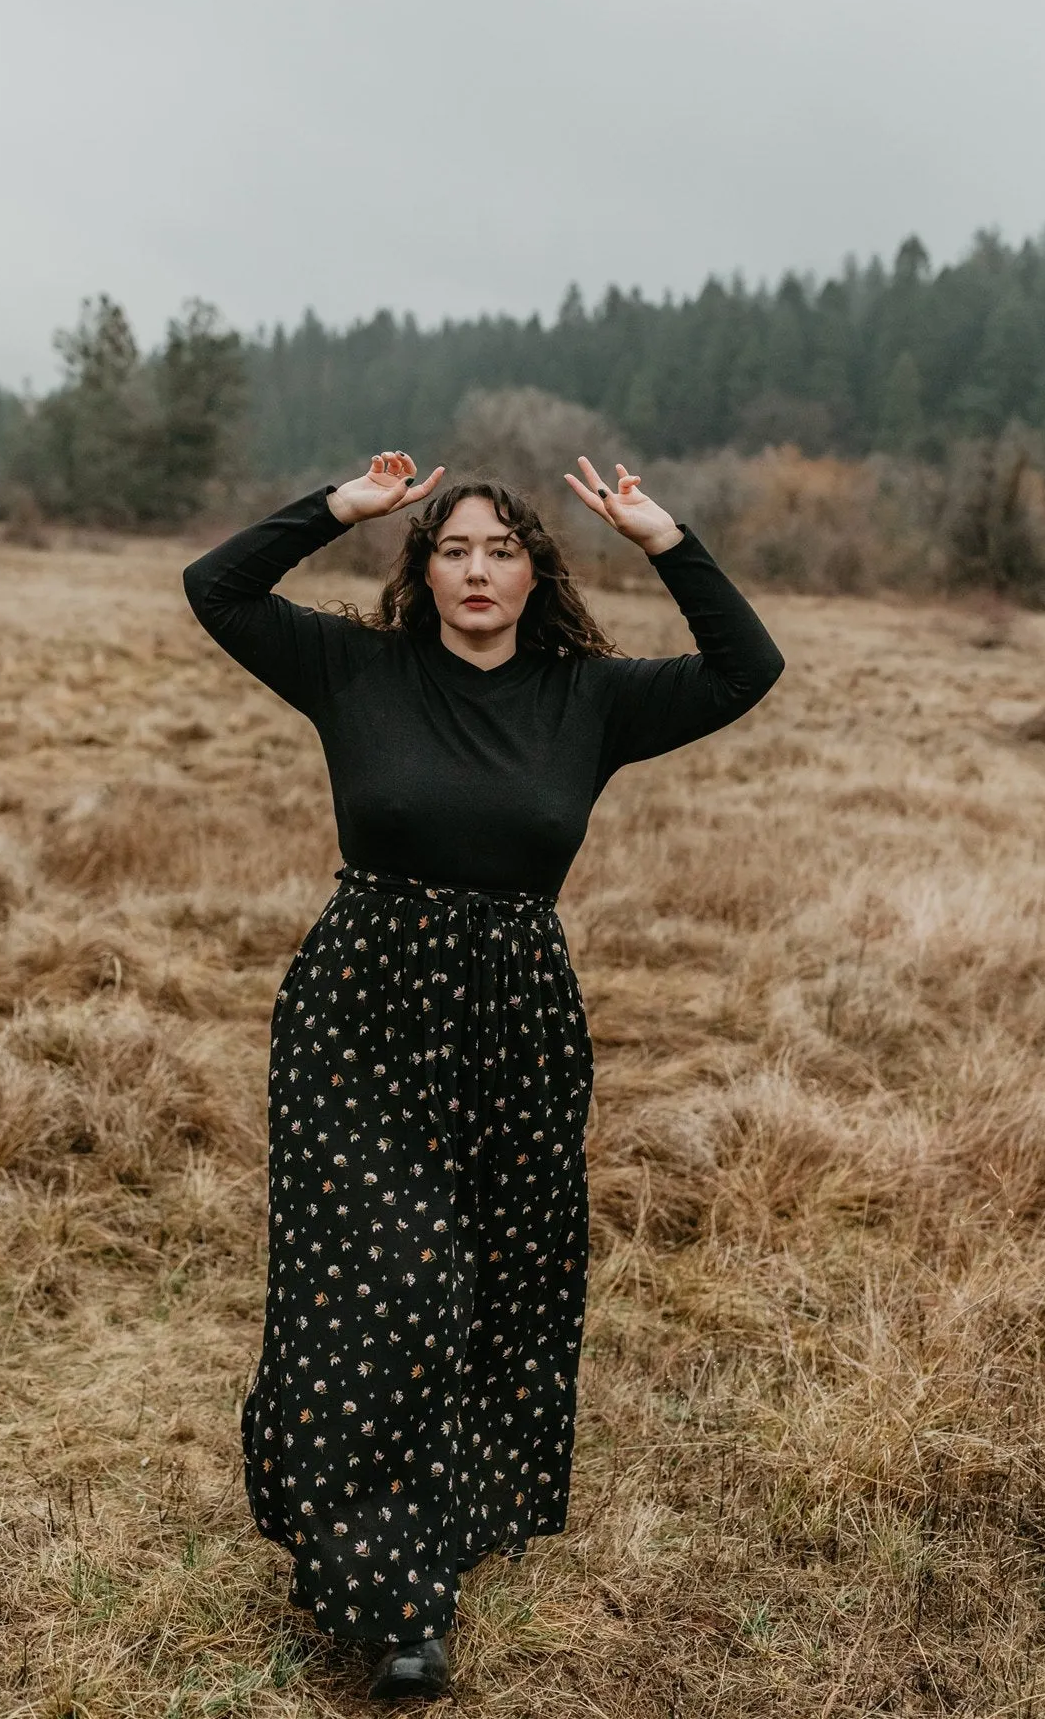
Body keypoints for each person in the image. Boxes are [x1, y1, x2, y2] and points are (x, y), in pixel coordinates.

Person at [183, 450, 783, 1701]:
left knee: (494, 1289)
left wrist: (670, 541)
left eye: (501, 549)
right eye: (453, 548)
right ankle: (401, 1600)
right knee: (389, 1286)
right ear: (423, 567)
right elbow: (217, 588)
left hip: (517, 1027)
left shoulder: (590, 698)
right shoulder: (357, 669)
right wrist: (335, 510)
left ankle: (442, 1517)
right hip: (363, 1014)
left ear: (534, 572)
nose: (475, 569)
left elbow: (746, 670)